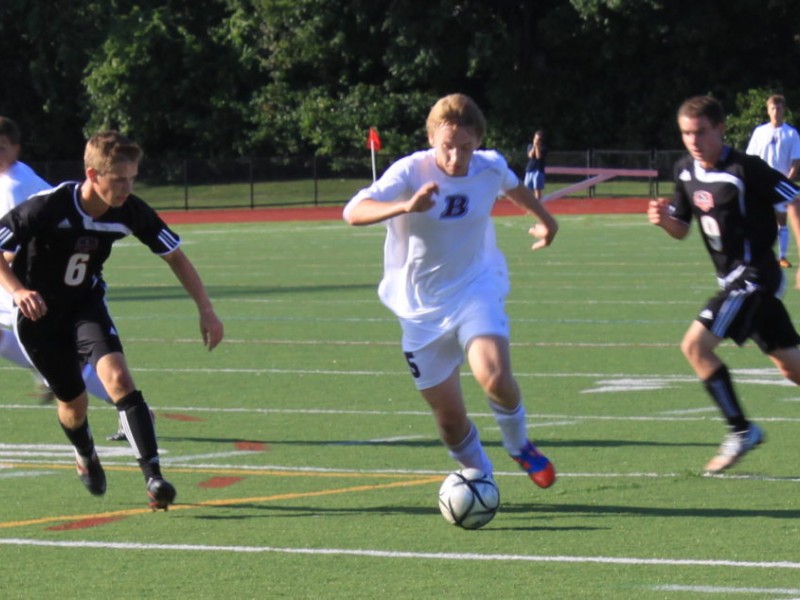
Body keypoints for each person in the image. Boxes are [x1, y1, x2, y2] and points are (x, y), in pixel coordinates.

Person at [343, 94, 558, 489]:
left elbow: (513, 187)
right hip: (419, 308)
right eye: (447, 147)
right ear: (431, 139)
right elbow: (353, 211)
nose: (457, 157)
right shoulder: (410, 171)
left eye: (465, 147)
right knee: (450, 422)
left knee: (493, 376)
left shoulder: (489, 166)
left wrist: (546, 220)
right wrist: (406, 206)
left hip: (476, 287)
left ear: (477, 141)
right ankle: (482, 479)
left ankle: (519, 445)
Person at [0, 130, 224, 509]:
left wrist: (206, 308)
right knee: (74, 404)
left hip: (85, 306)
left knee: (119, 378)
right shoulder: (47, 207)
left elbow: (175, 257)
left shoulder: (130, 211)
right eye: (118, 180)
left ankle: (154, 478)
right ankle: (85, 453)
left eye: (132, 178)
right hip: (38, 318)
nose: (126, 188)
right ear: (92, 175)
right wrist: (18, 291)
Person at [648, 95, 800, 474]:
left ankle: (740, 430)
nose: (693, 140)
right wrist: (663, 220)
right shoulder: (685, 171)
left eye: (701, 132)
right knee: (792, 368)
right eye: (686, 133)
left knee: (695, 346)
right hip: (732, 280)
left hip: (755, 278)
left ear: (720, 129)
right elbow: (682, 228)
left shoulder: (746, 168)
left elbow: (794, 199)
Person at [0, 117, 123, 433]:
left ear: (16, 148)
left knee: (69, 363)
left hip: (42, 282)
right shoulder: (8, 178)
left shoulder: (15, 184)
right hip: (29, 279)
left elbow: (22, 245)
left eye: (1, 148)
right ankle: (46, 372)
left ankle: (130, 407)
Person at [745, 94, 800, 269]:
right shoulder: (759, 132)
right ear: (768, 111)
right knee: (755, 220)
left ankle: (782, 257)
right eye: (772, 108)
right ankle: (756, 256)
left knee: (781, 220)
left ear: (784, 110)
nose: (776, 112)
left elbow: (795, 161)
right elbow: (750, 157)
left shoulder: (791, 133)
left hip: (780, 185)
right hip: (760, 184)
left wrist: (786, 182)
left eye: (779, 108)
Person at [523, 130, 547, 202]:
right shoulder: (530, 146)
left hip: (539, 170)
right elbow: (530, 155)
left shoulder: (544, 147)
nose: (536, 140)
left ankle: (538, 206)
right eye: (535, 138)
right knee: (527, 190)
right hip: (530, 169)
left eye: (538, 139)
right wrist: (534, 146)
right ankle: (530, 208)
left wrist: (537, 146)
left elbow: (538, 156)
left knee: (537, 189)